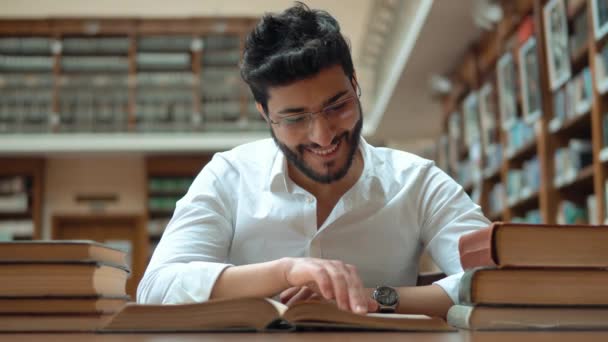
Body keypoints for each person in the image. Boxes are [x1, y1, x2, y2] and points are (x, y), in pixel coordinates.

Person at [137, 2, 489, 318]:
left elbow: (498, 282)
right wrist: (284, 272)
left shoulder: (418, 181)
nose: (322, 135)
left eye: (337, 106)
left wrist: (371, 298)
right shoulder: (228, 177)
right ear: (265, 114)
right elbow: (156, 289)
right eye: (293, 118)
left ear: (355, 84)